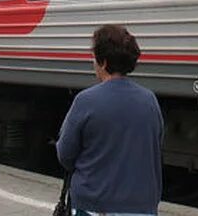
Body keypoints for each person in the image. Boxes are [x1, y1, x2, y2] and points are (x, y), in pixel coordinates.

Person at [56, 24, 164, 216]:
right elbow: (155, 146)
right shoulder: (150, 100)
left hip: (95, 206)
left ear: (103, 62)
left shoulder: (86, 101)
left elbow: (65, 154)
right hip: (142, 207)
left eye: (94, 58)